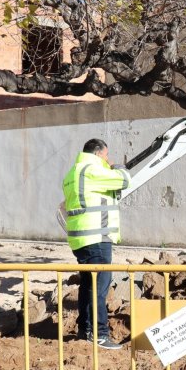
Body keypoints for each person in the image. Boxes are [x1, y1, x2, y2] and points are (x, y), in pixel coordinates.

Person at [62, 138, 131, 349]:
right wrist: (118, 167)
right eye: (106, 155)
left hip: (80, 239)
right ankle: (100, 334)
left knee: (87, 285)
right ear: (98, 153)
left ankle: (84, 329)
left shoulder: (72, 173)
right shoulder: (92, 170)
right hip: (97, 238)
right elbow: (124, 180)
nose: (108, 159)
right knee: (99, 288)